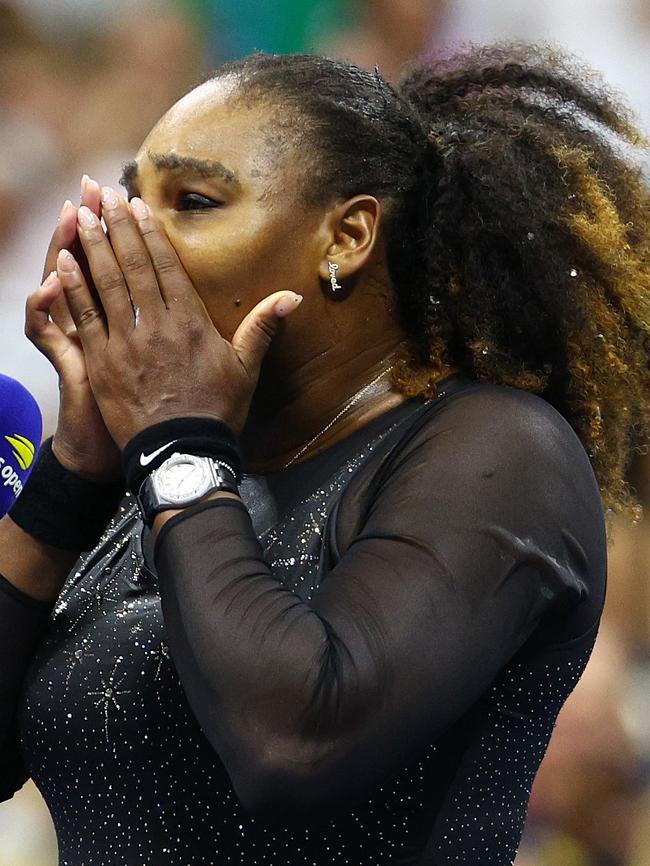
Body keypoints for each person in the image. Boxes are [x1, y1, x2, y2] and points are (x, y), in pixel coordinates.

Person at [0, 45, 647, 866]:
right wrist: (74, 476)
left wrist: (174, 441)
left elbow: (295, 740)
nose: (126, 237)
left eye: (192, 201)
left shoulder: (498, 454)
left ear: (346, 237)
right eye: (129, 203)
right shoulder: (162, 473)